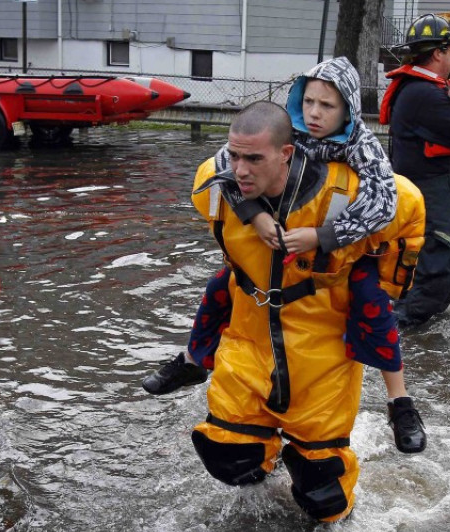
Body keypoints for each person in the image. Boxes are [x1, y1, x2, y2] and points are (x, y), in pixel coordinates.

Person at [143, 57, 429, 453]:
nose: (314, 113)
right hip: (274, 256)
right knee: (222, 285)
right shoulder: (281, 131)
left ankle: (399, 401)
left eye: (327, 106)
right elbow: (226, 163)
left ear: (347, 108)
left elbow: (383, 203)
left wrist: (322, 236)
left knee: (371, 303)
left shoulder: (361, 145)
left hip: (340, 248)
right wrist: (253, 214)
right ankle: (193, 359)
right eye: (309, 101)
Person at [185, 101, 385, 521]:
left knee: (323, 493)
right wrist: (253, 214)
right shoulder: (216, 184)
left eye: (254, 159)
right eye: (235, 156)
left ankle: (319, 478)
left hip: (323, 353)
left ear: (286, 154)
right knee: (225, 454)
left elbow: (394, 231)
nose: (240, 170)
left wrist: (398, 396)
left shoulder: (351, 193)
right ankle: (267, 458)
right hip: (249, 339)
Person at [380, 13, 450, 327]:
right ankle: (405, 341)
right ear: (437, 54)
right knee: (432, 268)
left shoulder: (428, 90)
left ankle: (425, 345)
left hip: (442, 189)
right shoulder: (423, 94)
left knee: (443, 269)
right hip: (430, 192)